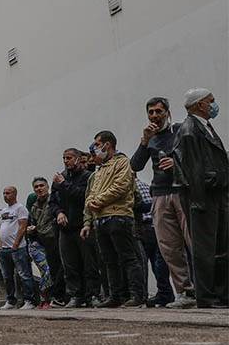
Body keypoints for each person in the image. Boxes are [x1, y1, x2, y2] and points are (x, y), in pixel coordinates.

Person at [130, 96, 195, 307]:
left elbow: (195, 157)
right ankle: (184, 292)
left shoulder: (179, 131)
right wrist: (144, 141)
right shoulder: (151, 138)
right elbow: (136, 166)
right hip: (159, 194)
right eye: (151, 112)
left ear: (167, 112)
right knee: (169, 246)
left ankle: (205, 288)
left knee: (193, 241)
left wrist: (176, 163)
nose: (155, 116)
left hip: (181, 192)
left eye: (159, 111)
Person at [172, 88, 228, 308]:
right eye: (211, 101)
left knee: (221, 247)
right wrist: (219, 178)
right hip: (202, 198)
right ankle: (207, 296)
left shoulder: (205, 128)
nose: (214, 105)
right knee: (205, 250)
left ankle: (222, 293)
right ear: (199, 105)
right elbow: (193, 171)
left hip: (216, 195)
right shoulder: (189, 131)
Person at [83, 131, 146, 307]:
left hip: (119, 216)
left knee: (128, 257)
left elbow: (121, 187)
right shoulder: (100, 169)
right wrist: (91, 202)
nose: (94, 148)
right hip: (100, 218)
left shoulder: (123, 162)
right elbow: (91, 192)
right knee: (108, 260)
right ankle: (115, 295)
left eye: (97, 144)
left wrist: (98, 201)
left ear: (107, 145)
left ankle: (137, 294)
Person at [50, 148, 102, 307]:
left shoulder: (88, 177)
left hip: (83, 226)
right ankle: (75, 295)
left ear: (79, 159)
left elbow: (83, 197)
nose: (66, 161)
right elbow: (53, 202)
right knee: (69, 265)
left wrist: (64, 185)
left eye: (70, 158)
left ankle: (93, 295)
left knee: (89, 263)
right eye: (64, 158)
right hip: (65, 229)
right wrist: (58, 213)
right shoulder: (60, 178)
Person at [135, 179, 174, 307]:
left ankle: (143, 295)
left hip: (144, 227)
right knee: (157, 262)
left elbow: (145, 206)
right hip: (154, 226)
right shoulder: (145, 185)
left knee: (142, 263)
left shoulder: (134, 186)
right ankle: (165, 292)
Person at [27, 176, 65, 306]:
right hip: (44, 243)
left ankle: (61, 296)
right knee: (52, 270)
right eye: (36, 187)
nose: (39, 189)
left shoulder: (54, 200)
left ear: (47, 187)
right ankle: (53, 297)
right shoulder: (34, 206)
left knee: (61, 268)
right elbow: (34, 223)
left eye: (41, 186)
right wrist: (32, 229)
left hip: (57, 238)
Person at [0, 186, 37, 310]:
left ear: (15, 194)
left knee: (24, 274)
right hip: (4, 249)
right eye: (4, 193)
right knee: (7, 276)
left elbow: (22, 227)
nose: (5, 195)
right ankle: (11, 300)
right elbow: (2, 227)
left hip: (18, 248)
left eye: (8, 193)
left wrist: (16, 243)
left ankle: (29, 300)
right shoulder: (4, 210)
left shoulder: (20, 209)